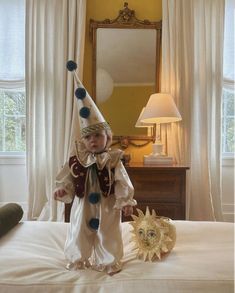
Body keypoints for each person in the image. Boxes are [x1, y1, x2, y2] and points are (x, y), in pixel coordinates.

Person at [54, 60, 136, 275]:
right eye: (88, 137)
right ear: (83, 140)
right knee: (79, 229)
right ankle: (78, 258)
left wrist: (125, 200)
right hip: (83, 202)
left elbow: (122, 181)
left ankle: (108, 261)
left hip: (107, 202)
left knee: (107, 230)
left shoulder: (113, 159)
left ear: (107, 138)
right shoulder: (76, 159)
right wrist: (63, 189)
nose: (93, 141)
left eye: (98, 136)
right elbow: (68, 179)